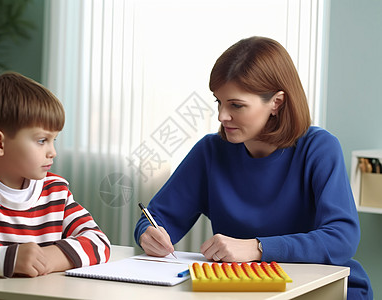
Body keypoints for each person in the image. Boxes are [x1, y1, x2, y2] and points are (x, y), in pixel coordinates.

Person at [134, 37, 372, 299]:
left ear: (276, 103)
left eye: (236, 105)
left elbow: (342, 238)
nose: (222, 116)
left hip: (322, 289)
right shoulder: (210, 151)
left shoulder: (319, 148)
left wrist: (258, 248)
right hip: (244, 290)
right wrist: (148, 233)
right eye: (219, 102)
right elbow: (157, 216)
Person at [0, 72, 111, 278]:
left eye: (54, 140)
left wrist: (48, 259)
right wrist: (12, 259)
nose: (53, 152)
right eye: (42, 140)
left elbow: (99, 242)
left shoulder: (55, 190)